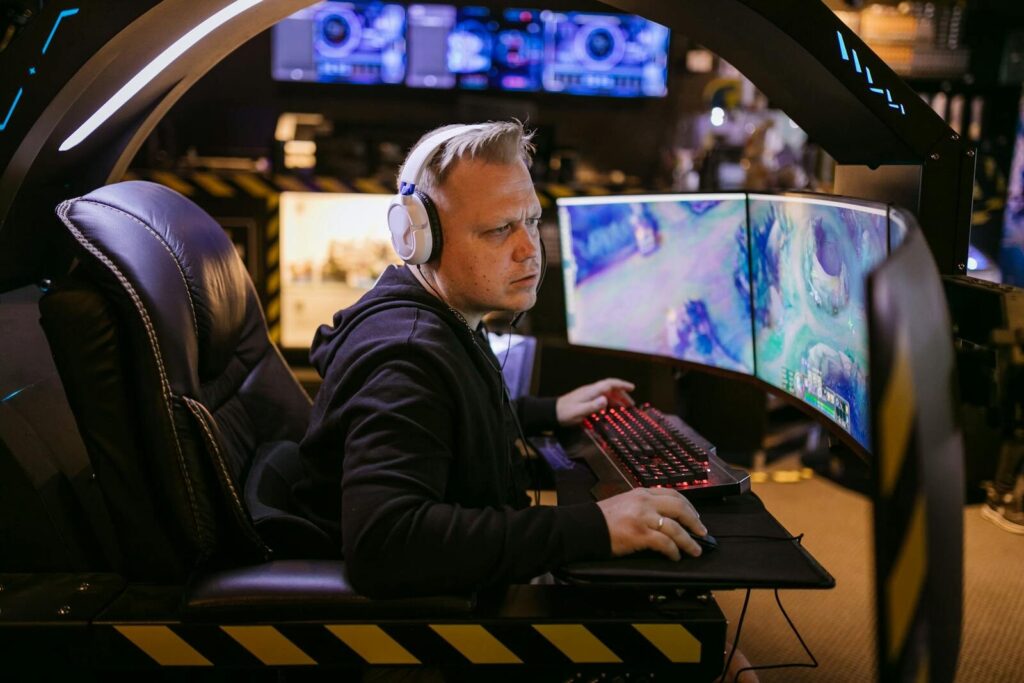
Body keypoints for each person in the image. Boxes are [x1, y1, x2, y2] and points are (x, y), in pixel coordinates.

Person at [294, 120, 709, 600]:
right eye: (498, 230)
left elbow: (447, 424)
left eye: (531, 220)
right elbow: (385, 542)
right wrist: (595, 527)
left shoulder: (440, 319)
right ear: (420, 239)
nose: (529, 250)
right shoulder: (405, 364)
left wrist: (544, 412)